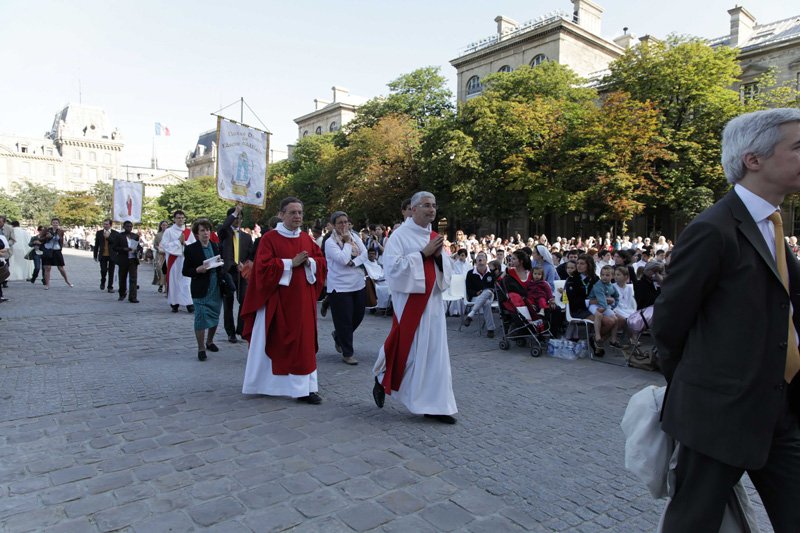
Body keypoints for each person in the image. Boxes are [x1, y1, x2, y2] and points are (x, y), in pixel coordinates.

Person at [653, 108, 800, 531]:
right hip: (718, 414)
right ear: (754, 160)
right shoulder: (713, 229)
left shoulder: (771, 226)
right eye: (796, 147)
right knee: (693, 522)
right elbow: (669, 324)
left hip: (779, 407)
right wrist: (703, 391)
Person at [371, 191, 457, 424]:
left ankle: (436, 405)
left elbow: (447, 272)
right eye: (426, 205)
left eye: (434, 205)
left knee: (435, 355)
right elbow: (393, 269)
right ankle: (382, 377)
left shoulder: (435, 235)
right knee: (410, 353)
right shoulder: (399, 236)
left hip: (433, 304)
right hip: (411, 304)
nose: (432, 210)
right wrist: (422, 255)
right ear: (414, 208)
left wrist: (438, 258)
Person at [240, 197, 327, 404]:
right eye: (292, 212)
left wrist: (311, 263)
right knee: (275, 340)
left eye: (300, 213)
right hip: (277, 303)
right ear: (281, 214)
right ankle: (266, 384)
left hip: (303, 303)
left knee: (303, 344)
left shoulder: (306, 239)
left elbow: (322, 262)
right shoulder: (270, 238)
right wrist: (290, 263)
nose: (297, 216)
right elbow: (261, 269)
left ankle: (305, 388)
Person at [324, 211, 368, 365]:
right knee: (345, 320)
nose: (344, 225)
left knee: (358, 315)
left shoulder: (355, 236)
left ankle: (339, 336)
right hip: (340, 286)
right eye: (340, 223)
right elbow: (342, 259)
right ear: (333, 225)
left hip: (357, 283)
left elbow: (364, 254)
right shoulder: (330, 242)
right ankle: (348, 353)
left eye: (346, 222)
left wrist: (353, 263)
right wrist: (348, 243)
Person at [183, 219, 224, 361]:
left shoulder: (215, 246)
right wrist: (197, 270)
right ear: (196, 234)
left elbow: (219, 265)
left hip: (215, 287)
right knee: (200, 318)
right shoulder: (191, 249)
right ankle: (201, 348)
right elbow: (185, 271)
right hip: (200, 287)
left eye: (207, 230)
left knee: (214, 315)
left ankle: (210, 341)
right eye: (202, 230)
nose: (206, 233)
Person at [217, 204, 253, 343]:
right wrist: (235, 211)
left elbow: (250, 253)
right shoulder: (224, 232)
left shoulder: (246, 237)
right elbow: (225, 226)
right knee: (228, 302)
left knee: (244, 300)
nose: (238, 220)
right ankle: (230, 331)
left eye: (240, 218)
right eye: (236, 217)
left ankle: (241, 328)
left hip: (242, 272)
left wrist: (246, 263)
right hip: (228, 271)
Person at [160, 210, 195, 313]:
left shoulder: (188, 232)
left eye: (182, 218)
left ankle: (189, 303)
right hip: (174, 260)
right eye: (178, 218)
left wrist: (185, 243)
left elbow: (193, 245)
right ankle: (174, 303)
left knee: (186, 282)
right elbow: (165, 245)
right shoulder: (169, 231)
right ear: (174, 219)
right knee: (174, 281)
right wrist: (178, 242)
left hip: (185, 259)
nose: (180, 219)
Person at [463, 251, 497, 338]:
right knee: (486, 302)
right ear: (476, 260)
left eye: (482, 256)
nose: (480, 258)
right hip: (476, 297)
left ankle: (471, 314)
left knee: (488, 291)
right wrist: (476, 293)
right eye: (478, 257)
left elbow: (495, 287)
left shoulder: (491, 273)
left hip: (490, 295)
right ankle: (490, 329)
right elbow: (468, 289)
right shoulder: (470, 273)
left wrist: (489, 291)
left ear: (486, 260)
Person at [588, 265, 619, 347]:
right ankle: (597, 336)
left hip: (604, 304)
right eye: (603, 275)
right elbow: (601, 299)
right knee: (599, 314)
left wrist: (613, 306)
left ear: (612, 276)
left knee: (616, 319)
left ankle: (613, 340)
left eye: (607, 275)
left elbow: (616, 296)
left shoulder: (611, 286)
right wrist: (604, 307)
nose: (604, 277)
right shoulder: (598, 285)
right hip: (593, 304)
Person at [113, 221, 142, 303]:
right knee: (122, 277)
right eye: (127, 226)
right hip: (123, 259)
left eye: (130, 226)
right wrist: (124, 249)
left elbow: (139, 246)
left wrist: (139, 250)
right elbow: (114, 247)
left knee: (133, 278)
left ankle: (133, 297)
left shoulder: (135, 236)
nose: (129, 228)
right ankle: (122, 293)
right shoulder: (119, 236)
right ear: (124, 227)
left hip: (133, 259)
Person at [42, 218, 73, 289]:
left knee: (60, 267)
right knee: (47, 268)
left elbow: (61, 241)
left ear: (58, 224)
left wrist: (61, 248)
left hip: (57, 250)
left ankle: (67, 281)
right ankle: (47, 284)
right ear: (51, 223)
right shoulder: (47, 230)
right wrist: (47, 237)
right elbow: (41, 238)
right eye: (53, 222)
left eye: (56, 223)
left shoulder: (60, 231)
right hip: (48, 250)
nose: (55, 224)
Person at [94, 219, 118, 292]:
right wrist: (95, 255)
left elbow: (115, 243)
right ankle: (103, 281)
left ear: (110, 225)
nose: (105, 226)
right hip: (103, 254)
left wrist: (108, 237)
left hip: (112, 255)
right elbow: (96, 245)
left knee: (111, 271)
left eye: (107, 224)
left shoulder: (115, 233)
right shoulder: (99, 233)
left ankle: (110, 287)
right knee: (103, 270)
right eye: (104, 224)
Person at [152, 220, 169, 293]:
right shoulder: (158, 235)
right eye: (163, 225)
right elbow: (155, 245)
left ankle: (165, 286)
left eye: (166, 225)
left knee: (166, 270)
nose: (164, 226)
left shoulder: (169, 234)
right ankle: (160, 284)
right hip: (160, 255)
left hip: (167, 254)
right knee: (159, 270)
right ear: (161, 226)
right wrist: (158, 249)